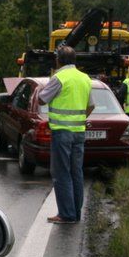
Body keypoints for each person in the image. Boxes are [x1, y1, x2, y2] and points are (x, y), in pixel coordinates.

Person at [37, 46, 94, 224]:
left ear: (58, 60)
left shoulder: (59, 77)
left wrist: (43, 87)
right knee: (76, 172)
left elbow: (41, 99)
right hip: (79, 133)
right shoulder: (85, 78)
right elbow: (91, 105)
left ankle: (66, 214)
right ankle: (75, 212)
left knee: (61, 172)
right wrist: (79, 119)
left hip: (62, 132)